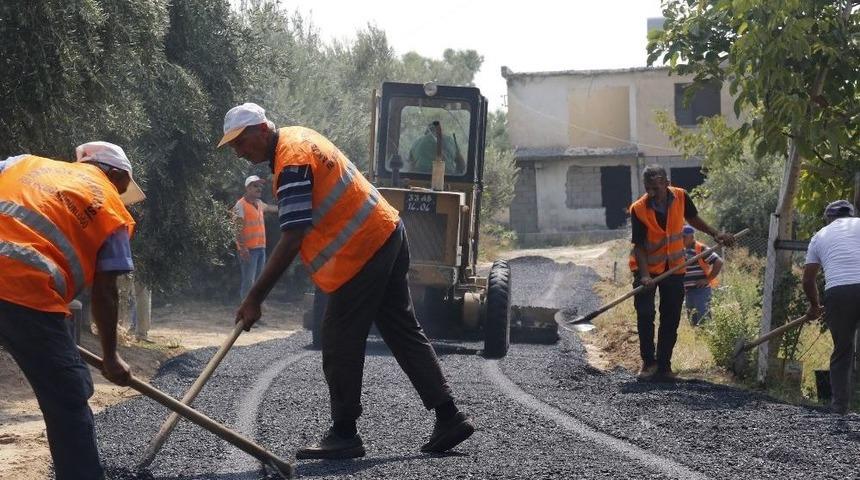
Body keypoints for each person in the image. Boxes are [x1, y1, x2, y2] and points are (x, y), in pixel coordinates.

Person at [218, 103, 474, 459]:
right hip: (387, 231)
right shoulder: (298, 138)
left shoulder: (291, 160)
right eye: (233, 146)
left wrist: (254, 297)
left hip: (364, 249)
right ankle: (450, 416)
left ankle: (344, 433)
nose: (239, 151)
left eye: (241, 142)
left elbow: (292, 236)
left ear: (261, 130)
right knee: (402, 329)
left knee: (338, 338)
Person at [0, 141, 144, 479]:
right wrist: (110, 357)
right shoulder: (112, 210)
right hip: (25, 292)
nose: (123, 194)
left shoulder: (24, 162)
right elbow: (105, 293)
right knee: (68, 397)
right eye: (125, 186)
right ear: (116, 173)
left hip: (21, 295)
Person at [629, 164, 734, 381]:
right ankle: (649, 363)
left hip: (675, 267)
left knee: (671, 316)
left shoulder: (681, 197)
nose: (652, 193)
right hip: (646, 268)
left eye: (656, 188)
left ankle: (664, 365)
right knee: (646, 313)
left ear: (667, 184)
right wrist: (646, 275)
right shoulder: (638, 208)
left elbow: (693, 218)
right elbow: (639, 245)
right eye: (648, 188)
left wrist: (716, 234)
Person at [802, 199, 860, 415]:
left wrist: (815, 306)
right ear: (851, 215)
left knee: (842, 351)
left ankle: (839, 409)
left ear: (828, 218)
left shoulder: (820, 236)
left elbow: (808, 280)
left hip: (838, 293)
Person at [234, 174, 277, 301]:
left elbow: (271, 208)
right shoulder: (240, 205)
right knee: (249, 282)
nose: (259, 188)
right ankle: (245, 311)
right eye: (255, 186)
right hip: (248, 250)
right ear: (247, 188)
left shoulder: (259, 203)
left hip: (260, 249)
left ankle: (254, 308)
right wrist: (243, 249)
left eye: (260, 186)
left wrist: (287, 208)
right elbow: (237, 228)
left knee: (258, 282)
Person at [682, 224, 723, 326]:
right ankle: (698, 341)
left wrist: (707, 279)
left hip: (701, 291)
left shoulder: (701, 249)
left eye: (684, 237)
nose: (681, 239)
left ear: (691, 237)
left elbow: (718, 262)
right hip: (688, 291)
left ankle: (707, 339)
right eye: (680, 237)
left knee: (704, 321)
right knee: (693, 322)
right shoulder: (681, 250)